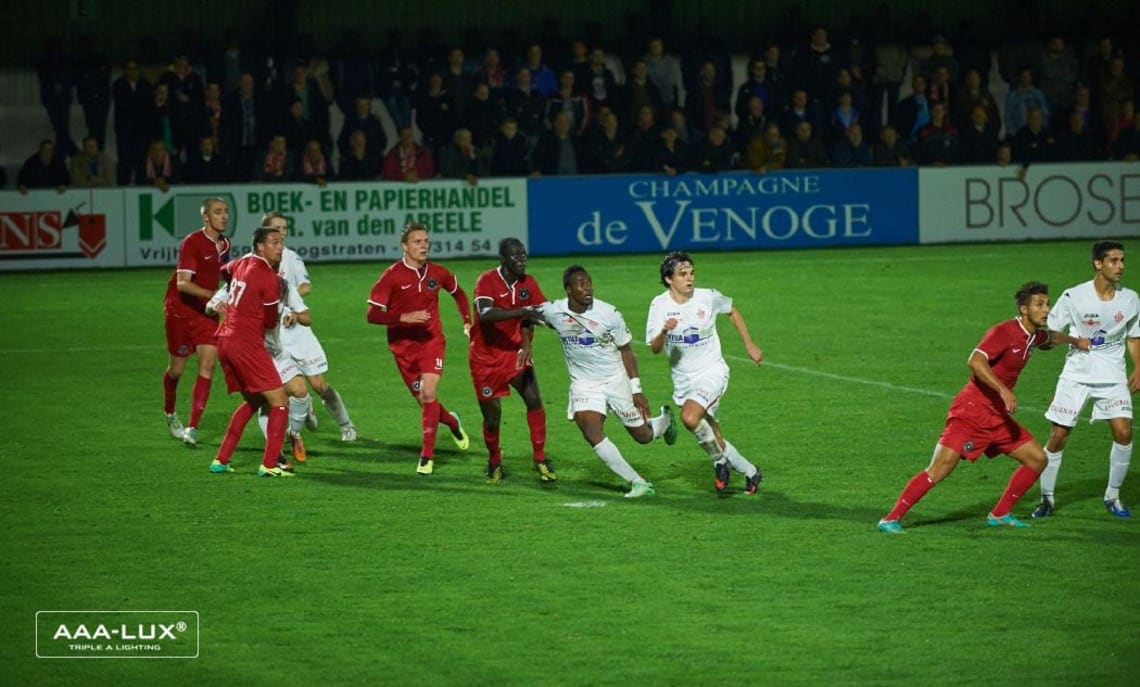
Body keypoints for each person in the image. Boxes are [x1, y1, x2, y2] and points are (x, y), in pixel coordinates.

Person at [877, 282, 1089, 533]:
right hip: (971, 411)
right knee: (939, 469)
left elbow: (1049, 339)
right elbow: (975, 360)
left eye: (1047, 304)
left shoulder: (1032, 335)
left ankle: (1000, 514)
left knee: (1037, 459)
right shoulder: (1004, 331)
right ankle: (890, 519)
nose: (1046, 309)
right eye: (1039, 305)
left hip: (997, 416)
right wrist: (1003, 390)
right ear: (1024, 309)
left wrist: (1075, 340)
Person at [533, 265, 677, 498]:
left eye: (589, 282)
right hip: (584, 383)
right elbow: (524, 315)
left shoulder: (609, 314)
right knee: (590, 430)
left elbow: (627, 350)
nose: (588, 287)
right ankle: (638, 482)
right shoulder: (554, 311)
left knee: (642, 437)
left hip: (614, 379)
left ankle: (664, 421)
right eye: (581, 284)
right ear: (568, 290)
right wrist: (524, 346)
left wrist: (636, 390)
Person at [1033, 242, 1140, 519]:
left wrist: (1138, 366)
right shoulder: (1074, 296)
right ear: (1098, 264)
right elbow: (1049, 336)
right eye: (1114, 261)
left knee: (1124, 432)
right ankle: (1046, 499)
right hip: (1077, 375)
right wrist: (1072, 339)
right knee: (1058, 436)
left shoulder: (1130, 299)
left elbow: (1133, 336)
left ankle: (1113, 495)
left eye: (1122, 260)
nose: (1121, 266)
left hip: (1112, 375)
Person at [646, 252, 763, 494]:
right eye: (682, 274)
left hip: (712, 371)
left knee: (689, 418)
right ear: (669, 279)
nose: (690, 278)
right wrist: (664, 332)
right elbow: (655, 348)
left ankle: (719, 464)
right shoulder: (659, 305)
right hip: (683, 379)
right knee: (714, 437)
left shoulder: (707, 297)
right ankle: (751, 472)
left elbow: (732, 311)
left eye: (691, 273)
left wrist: (749, 344)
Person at [367, 222, 472, 474]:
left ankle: (427, 456)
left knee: (428, 394)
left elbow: (458, 293)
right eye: (417, 241)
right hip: (402, 348)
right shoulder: (392, 276)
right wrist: (403, 317)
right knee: (427, 402)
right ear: (404, 246)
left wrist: (467, 321)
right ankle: (452, 422)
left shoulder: (438, 273)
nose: (423, 245)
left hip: (431, 341)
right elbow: (371, 314)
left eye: (425, 241)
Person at [263, 212, 358, 442]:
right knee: (282, 389)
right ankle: (292, 426)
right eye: (276, 228)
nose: (282, 232)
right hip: (274, 337)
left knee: (319, 384)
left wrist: (291, 301)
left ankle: (346, 425)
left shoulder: (291, 258)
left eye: (284, 228)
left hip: (297, 332)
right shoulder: (255, 262)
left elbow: (306, 285)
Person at [207, 226, 293, 478]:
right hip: (246, 343)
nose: (280, 247)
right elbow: (268, 321)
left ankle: (221, 459)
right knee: (280, 401)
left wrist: (237, 300)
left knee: (254, 400)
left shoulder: (241, 262)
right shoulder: (269, 277)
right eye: (274, 242)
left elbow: (225, 271)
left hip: (224, 340)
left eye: (281, 242)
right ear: (260, 246)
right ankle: (269, 464)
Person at [469, 239, 553, 483]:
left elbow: (539, 313)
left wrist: (530, 339)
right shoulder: (486, 280)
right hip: (484, 359)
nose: (522, 259)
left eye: (524, 255)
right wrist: (523, 311)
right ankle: (494, 460)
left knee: (534, 400)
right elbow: (485, 314)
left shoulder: (529, 283)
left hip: (515, 353)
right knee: (492, 417)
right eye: (515, 256)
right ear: (503, 259)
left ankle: (540, 458)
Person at [162, 197, 232, 447]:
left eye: (225, 212)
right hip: (179, 312)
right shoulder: (191, 242)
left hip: (205, 313)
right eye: (217, 212)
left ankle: (192, 427)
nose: (223, 216)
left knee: (208, 365)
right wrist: (210, 294)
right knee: (177, 371)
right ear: (205, 217)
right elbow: (182, 284)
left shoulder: (224, 244)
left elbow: (223, 276)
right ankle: (170, 412)